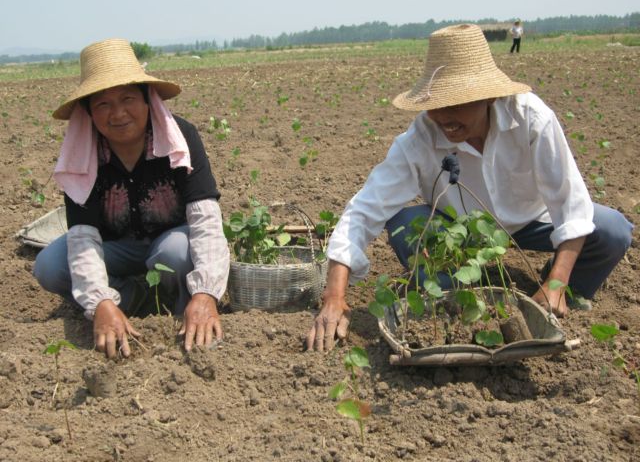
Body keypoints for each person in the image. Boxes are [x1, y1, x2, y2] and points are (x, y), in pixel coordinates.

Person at [306, 24, 633, 352]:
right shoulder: (420, 138)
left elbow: (571, 204)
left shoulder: (531, 118)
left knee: (611, 230)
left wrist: (557, 282)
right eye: (435, 105)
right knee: (407, 226)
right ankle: (457, 296)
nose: (442, 117)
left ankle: (556, 294)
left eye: (455, 104)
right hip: (459, 230)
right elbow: (365, 209)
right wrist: (335, 296)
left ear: (489, 96)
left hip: (532, 220)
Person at [33, 38, 230, 359]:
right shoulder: (83, 154)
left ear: (148, 99)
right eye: (103, 104)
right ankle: (130, 300)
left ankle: (184, 308)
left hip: (169, 242)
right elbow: (83, 238)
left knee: (176, 252)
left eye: (127, 99)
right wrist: (101, 302)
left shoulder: (181, 138)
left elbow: (205, 218)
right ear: (89, 112)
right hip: (114, 247)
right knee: (50, 265)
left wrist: (206, 294)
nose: (118, 113)